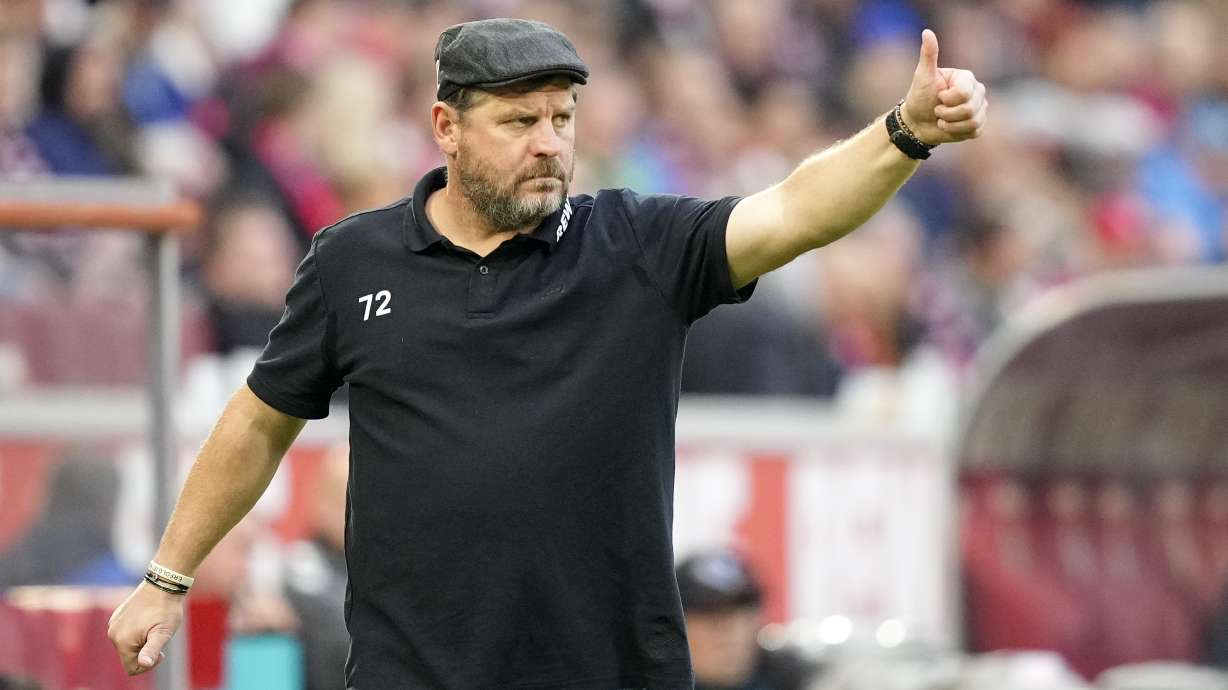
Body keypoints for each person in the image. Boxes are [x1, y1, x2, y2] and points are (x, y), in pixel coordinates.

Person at [107, 17, 986, 688]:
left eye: (563, 118)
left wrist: (904, 132)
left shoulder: (640, 246)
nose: (550, 144)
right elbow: (260, 421)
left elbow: (796, 210)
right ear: (446, 127)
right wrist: (167, 575)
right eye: (521, 120)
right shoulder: (353, 261)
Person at [677, 551, 816, 690]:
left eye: (740, 617)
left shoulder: (799, 678)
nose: (729, 635)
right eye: (711, 618)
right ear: (678, 629)